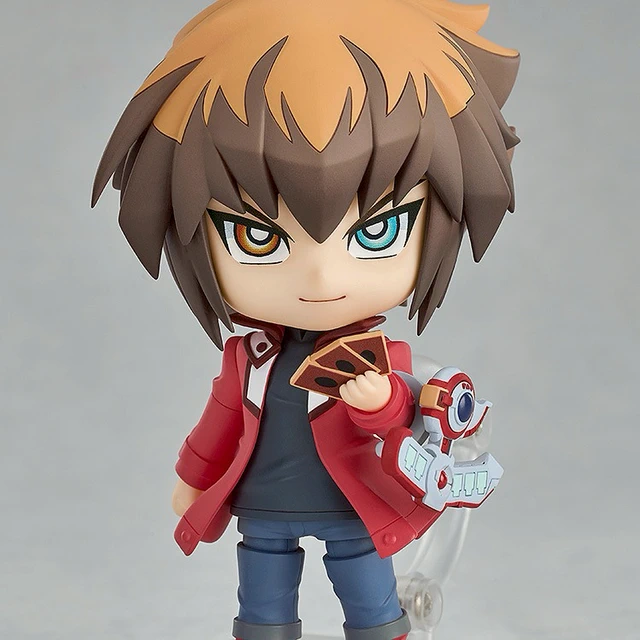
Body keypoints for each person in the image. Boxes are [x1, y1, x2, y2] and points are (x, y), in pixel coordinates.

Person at [92, 1, 520, 638]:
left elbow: (406, 423)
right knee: (262, 610)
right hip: (263, 507)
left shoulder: (383, 359)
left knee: (372, 608)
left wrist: (378, 403)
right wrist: (194, 477)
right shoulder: (248, 359)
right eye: (257, 237)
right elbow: (220, 420)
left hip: (356, 507)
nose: (320, 276)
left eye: (377, 230)